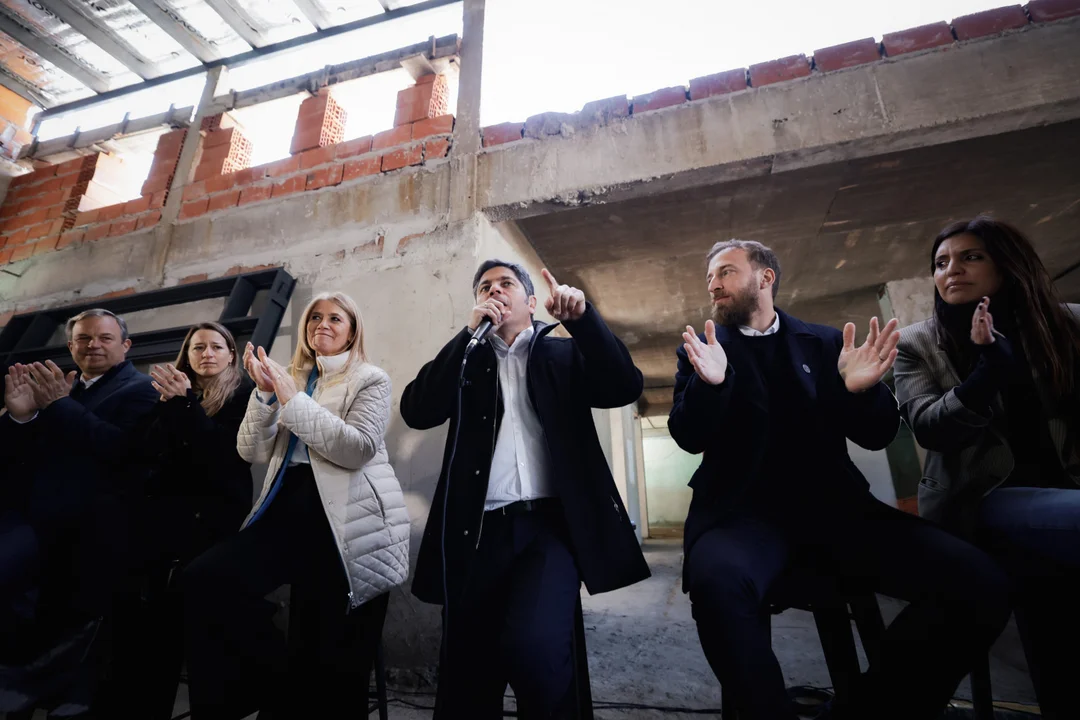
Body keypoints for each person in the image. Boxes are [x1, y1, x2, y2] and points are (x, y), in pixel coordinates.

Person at [670, 239, 1011, 720]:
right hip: (739, 517)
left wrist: (860, 391)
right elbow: (687, 436)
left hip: (838, 512)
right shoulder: (703, 350)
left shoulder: (827, 343)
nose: (713, 284)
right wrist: (713, 386)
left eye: (725, 271)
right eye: (709, 277)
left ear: (765, 278)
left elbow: (877, 434)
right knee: (716, 584)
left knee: (981, 582)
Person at [401, 260, 650, 718]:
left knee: (537, 650)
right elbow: (418, 410)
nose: (495, 291)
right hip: (473, 532)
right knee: (470, 668)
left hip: (548, 530)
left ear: (531, 302)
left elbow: (623, 385)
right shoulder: (467, 362)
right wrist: (465, 335)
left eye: (506, 284)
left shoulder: (564, 355)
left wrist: (585, 322)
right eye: (485, 286)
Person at [182, 292, 409, 720]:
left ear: (352, 329)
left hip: (347, 520)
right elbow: (250, 450)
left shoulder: (370, 379)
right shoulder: (290, 377)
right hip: (286, 512)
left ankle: (298, 693)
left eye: (334, 318)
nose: (321, 324)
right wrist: (267, 396)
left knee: (333, 662)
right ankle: (274, 686)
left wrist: (292, 398)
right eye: (314, 317)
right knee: (201, 582)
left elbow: (356, 449)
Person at [894, 216, 1080, 719]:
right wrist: (986, 374)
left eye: (970, 256)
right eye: (940, 262)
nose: (952, 270)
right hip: (980, 502)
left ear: (1007, 264)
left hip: (1061, 492)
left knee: (1050, 592)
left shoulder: (1067, 325)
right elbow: (930, 428)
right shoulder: (917, 343)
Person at [107, 322, 255, 719]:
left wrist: (183, 405)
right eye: (197, 347)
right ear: (186, 356)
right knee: (152, 630)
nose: (206, 353)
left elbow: (221, 458)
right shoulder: (168, 394)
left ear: (230, 354)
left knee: (197, 626)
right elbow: (146, 450)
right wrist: (174, 404)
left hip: (215, 518)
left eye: (215, 346)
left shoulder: (245, 395)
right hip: (164, 519)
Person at [1, 308, 158, 662]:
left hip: (92, 539)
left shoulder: (144, 390)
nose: (93, 345)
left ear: (126, 345)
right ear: (71, 346)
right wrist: (20, 417)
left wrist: (59, 405)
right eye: (84, 338)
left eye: (105, 338)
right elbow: (20, 461)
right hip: (35, 529)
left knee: (70, 653)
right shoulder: (57, 388)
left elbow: (122, 451)